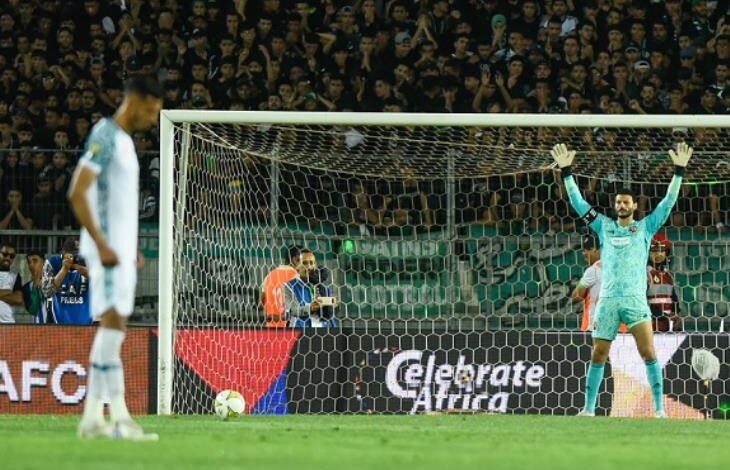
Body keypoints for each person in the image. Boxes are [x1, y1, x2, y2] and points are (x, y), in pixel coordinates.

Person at [552, 141, 692, 418]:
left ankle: (659, 409)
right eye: (618, 202)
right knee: (598, 355)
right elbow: (580, 205)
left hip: (636, 301)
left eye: (626, 201)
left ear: (634, 205)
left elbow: (667, 203)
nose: (621, 204)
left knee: (649, 353)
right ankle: (589, 409)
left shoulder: (645, 228)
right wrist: (567, 173)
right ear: (615, 206)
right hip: (608, 302)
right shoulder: (604, 226)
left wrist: (678, 171)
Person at [68, 75, 162, 440]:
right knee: (112, 326)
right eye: (152, 110)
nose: (154, 118)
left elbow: (117, 203)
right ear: (135, 101)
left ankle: (94, 416)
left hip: (120, 250)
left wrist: (127, 247)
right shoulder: (105, 135)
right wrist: (104, 245)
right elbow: (78, 190)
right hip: (106, 251)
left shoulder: (123, 142)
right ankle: (119, 417)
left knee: (114, 328)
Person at [572, 236, 628, 334]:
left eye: (586, 250)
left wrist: (583, 282)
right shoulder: (624, 268)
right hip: (621, 329)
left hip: (597, 329)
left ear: (595, 249)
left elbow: (576, 296)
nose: (583, 253)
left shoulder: (594, 270)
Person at [41, 238, 92, 325]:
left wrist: (89, 274)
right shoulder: (53, 262)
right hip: (59, 322)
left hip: (86, 323)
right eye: (72, 254)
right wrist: (64, 269)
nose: (75, 257)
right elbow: (47, 292)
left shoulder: (90, 262)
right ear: (63, 253)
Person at [283, 248, 337, 328]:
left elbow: (333, 309)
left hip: (322, 330)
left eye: (311, 263)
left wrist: (333, 305)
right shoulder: (289, 286)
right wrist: (310, 308)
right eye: (304, 263)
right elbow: (291, 311)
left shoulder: (322, 286)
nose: (309, 266)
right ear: (297, 267)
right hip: (300, 331)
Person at [647, 234, 683, 332]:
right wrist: (664, 315)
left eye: (662, 250)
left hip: (667, 327)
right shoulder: (644, 273)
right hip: (650, 326)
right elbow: (641, 303)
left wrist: (676, 317)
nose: (658, 253)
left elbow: (674, 299)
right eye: (654, 250)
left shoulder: (667, 274)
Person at [23, 249, 48, 323]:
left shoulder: (56, 282)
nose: (31, 265)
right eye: (29, 262)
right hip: (37, 330)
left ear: (44, 263)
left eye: (35, 261)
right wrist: (35, 288)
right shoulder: (26, 288)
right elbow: (33, 310)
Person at [0, 242, 23, 323]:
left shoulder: (16, 276)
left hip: (8, 324)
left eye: (12, 256)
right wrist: (8, 292)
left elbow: (18, 299)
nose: (8, 258)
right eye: (5, 254)